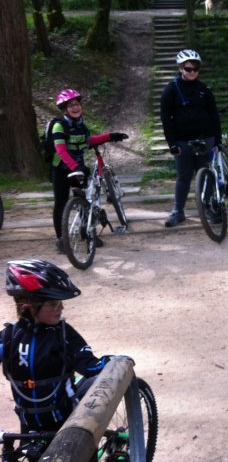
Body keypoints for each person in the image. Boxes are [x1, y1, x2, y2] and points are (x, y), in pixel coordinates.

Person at [0, 259, 113, 433]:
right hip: (29, 427)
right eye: (53, 304)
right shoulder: (10, 335)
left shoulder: (63, 332)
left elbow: (87, 364)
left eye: (60, 303)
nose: (60, 308)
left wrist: (109, 362)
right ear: (28, 306)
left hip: (68, 423)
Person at [49, 89, 128, 254]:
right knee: (61, 203)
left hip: (78, 166)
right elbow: (61, 151)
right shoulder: (59, 125)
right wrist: (75, 167)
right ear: (64, 109)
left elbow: (88, 141)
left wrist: (110, 136)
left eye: (77, 104)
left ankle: (87, 233)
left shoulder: (80, 125)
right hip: (61, 169)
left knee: (84, 201)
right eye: (70, 105)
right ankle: (61, 239)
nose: (75, 107)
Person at [160, 49, 221, 228]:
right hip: (182, 141)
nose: (192, 72)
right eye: (188, 68)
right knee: (183, 177)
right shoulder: (171, 90)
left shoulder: (204, 90)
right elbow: (165, 118)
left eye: (195, 69)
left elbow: (214, 116)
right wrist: (172, 143)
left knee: (206, 175)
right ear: (180, 68)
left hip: (205, 139)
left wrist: (217, 140)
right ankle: (178, 211)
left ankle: (207, 207)